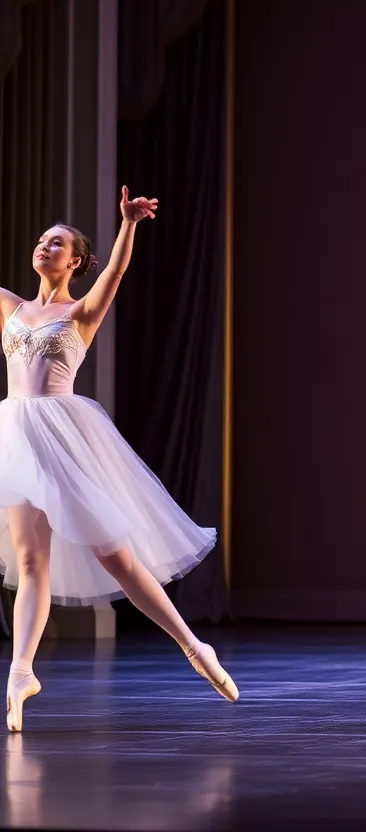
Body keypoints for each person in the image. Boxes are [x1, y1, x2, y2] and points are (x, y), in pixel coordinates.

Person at [1, 189, 236, 733]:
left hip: (63, 439)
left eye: (56, 243)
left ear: (75, 262)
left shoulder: (80, 313)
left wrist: (128, 226)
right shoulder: (10, 306)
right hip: (17, 438)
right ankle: (20, 672)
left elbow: (118, 273)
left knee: (118, 558)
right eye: (40, 240)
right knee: (32, 562)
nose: (44, 246)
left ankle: (195, 647)